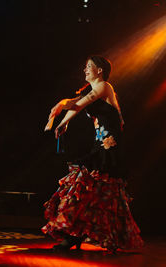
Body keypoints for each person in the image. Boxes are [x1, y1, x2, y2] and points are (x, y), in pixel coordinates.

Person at [42, 55, 143, 253]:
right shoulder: (93, 90)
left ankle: (75, 236)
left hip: (109, 148)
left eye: (89, 67)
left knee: (91, 190)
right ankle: (75, 236)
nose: (85, 70)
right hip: (100, 146)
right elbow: (76, 103)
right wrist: (63, 113)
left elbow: (81, 104)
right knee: (94, 194)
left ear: (100, 70)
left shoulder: (105, 86)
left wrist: (63, 120)